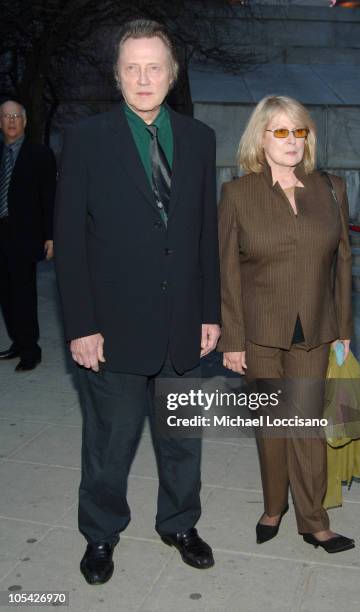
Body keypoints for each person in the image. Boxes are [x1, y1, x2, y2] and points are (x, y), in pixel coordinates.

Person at [54, 19, 221, 585]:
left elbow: (205, 235)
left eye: (155, 67)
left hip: (183, 326)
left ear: (171, 76)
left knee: (181, 440)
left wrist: (211, 313)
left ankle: (179, 522)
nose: (143, 78)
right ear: (117, 75)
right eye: (132, 67)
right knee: (109, 443)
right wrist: (81, 325)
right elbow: (71, 242)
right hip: (113, 328)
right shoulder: (85, 138)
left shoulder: (199, 140)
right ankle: (100, 533)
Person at [217, 95, 355, 554]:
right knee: (271, 427)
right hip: (259, 334)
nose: (292, 140)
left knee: (308, 425)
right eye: (280, 131)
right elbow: (228, 273)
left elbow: (343, 266)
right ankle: (273, 505)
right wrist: (232, 341)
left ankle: (314, 521)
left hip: (316, 331)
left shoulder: (332, 188)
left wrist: (344, 335)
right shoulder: (238, 195)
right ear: (261, 137)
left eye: (299, 131)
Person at [0, 100, 56, 372]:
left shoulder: (40, 154)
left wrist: (50, 236)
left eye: (16, 116)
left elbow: (49, 198)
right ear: (0, 122)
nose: (11, 121)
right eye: (6, 116)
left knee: (23, 294)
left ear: (25, 121)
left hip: (24, 235)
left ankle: (31, 350)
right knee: (6, 295)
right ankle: (17, 342)